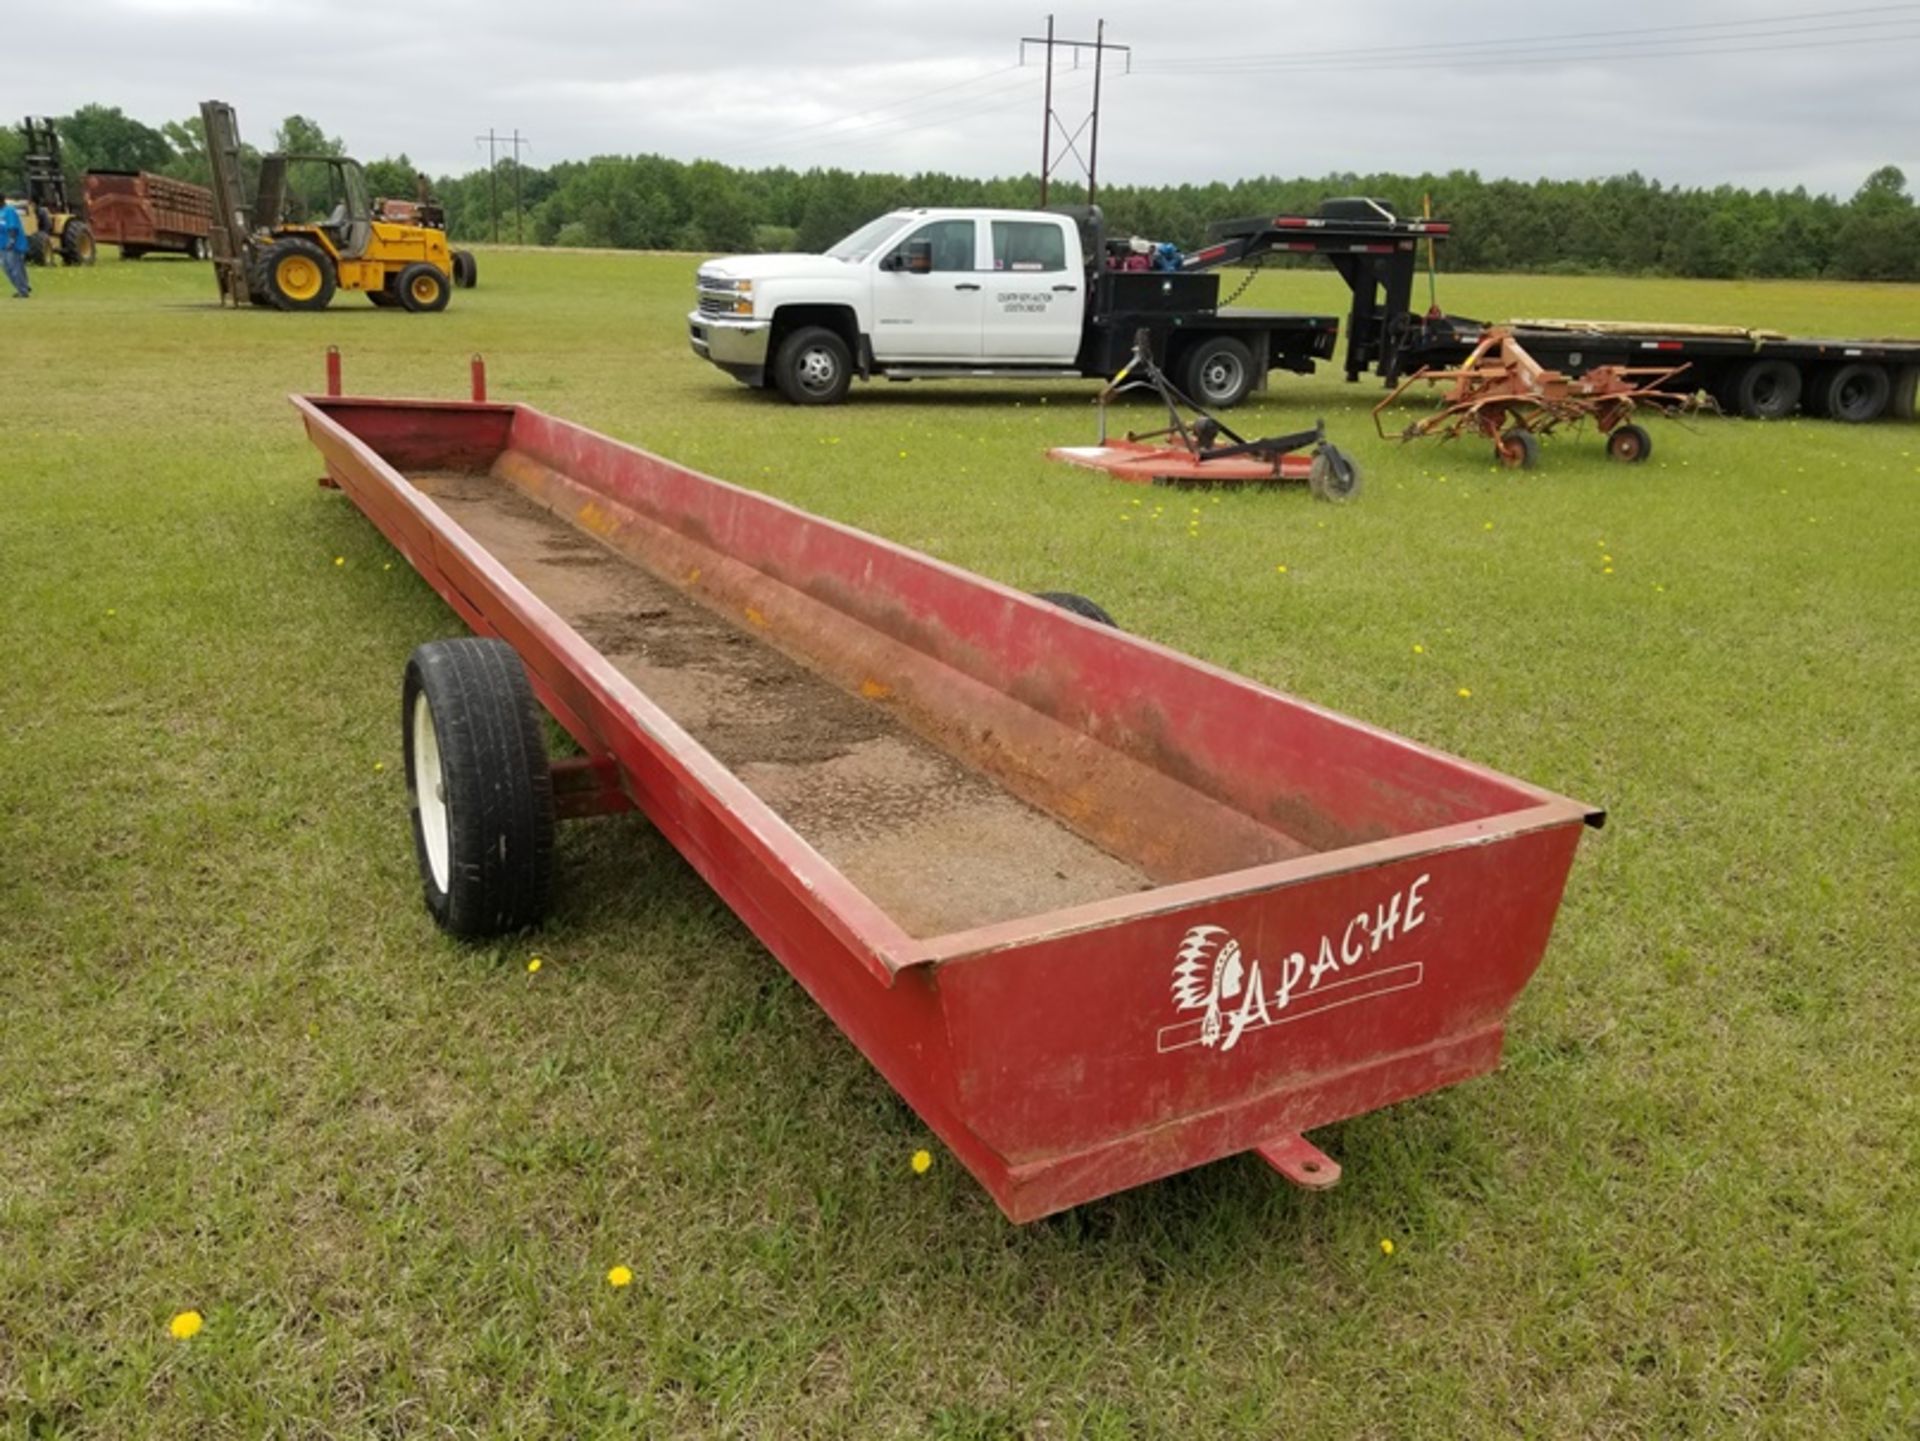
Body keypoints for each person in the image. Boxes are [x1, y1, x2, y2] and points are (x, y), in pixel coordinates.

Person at [0, 198, 30, 299]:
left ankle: (23, 291)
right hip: (2, 245)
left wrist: (12, 241)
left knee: (15, 269)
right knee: (7, 269)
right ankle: (22, 287)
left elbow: (13, 227)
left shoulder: (9, 211)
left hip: (13, 246)